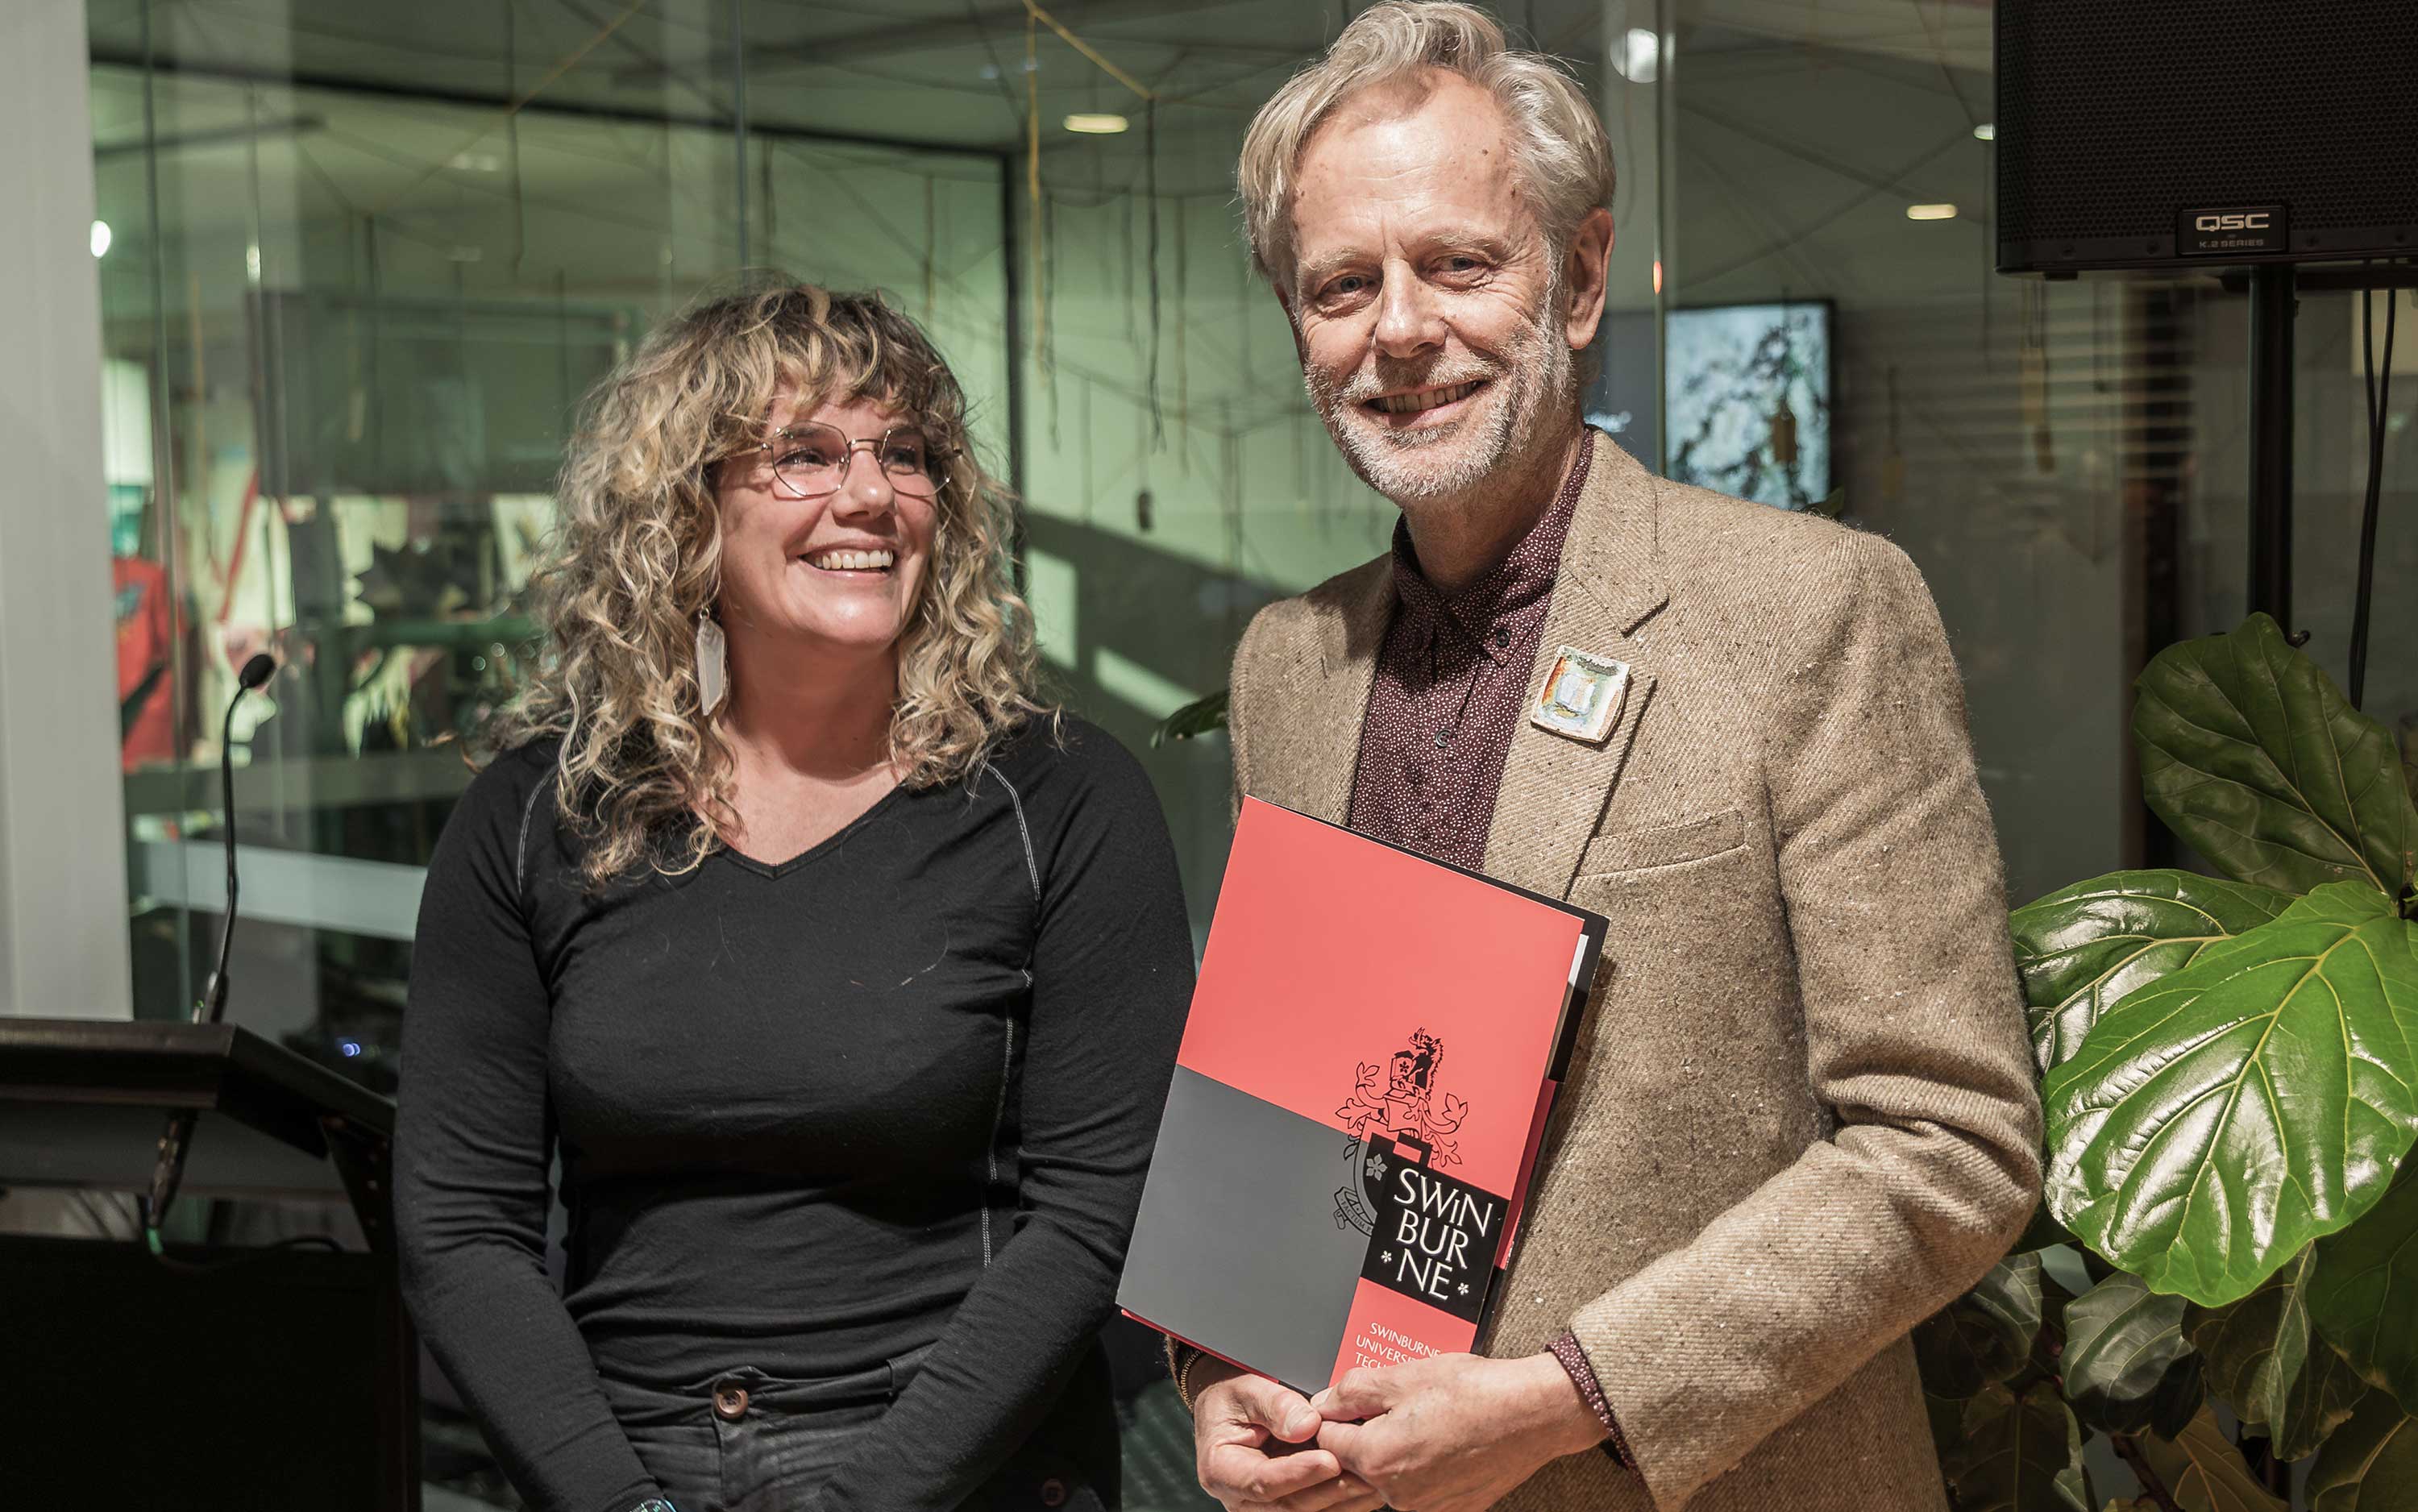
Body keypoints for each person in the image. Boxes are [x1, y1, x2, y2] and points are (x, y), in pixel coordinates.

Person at [1174, 6, 2042, 1511]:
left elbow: (1948, 1139)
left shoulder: (1810, 612)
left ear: (1578, 280)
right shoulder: (1288, 670)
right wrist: (1223, 1365)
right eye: (1341, 285)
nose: (1398, 330)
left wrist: (1565, 1400)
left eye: (1459, 264)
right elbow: (1291, 1102)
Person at [396, 283, 1193, 1512]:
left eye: (905, 455)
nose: (871, 495)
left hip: (959, 1472)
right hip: (620, 1463)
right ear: (688, 510)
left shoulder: (1061, 799)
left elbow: (1095, 1215)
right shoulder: (538, 817)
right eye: (805, 454)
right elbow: (460, 1230)